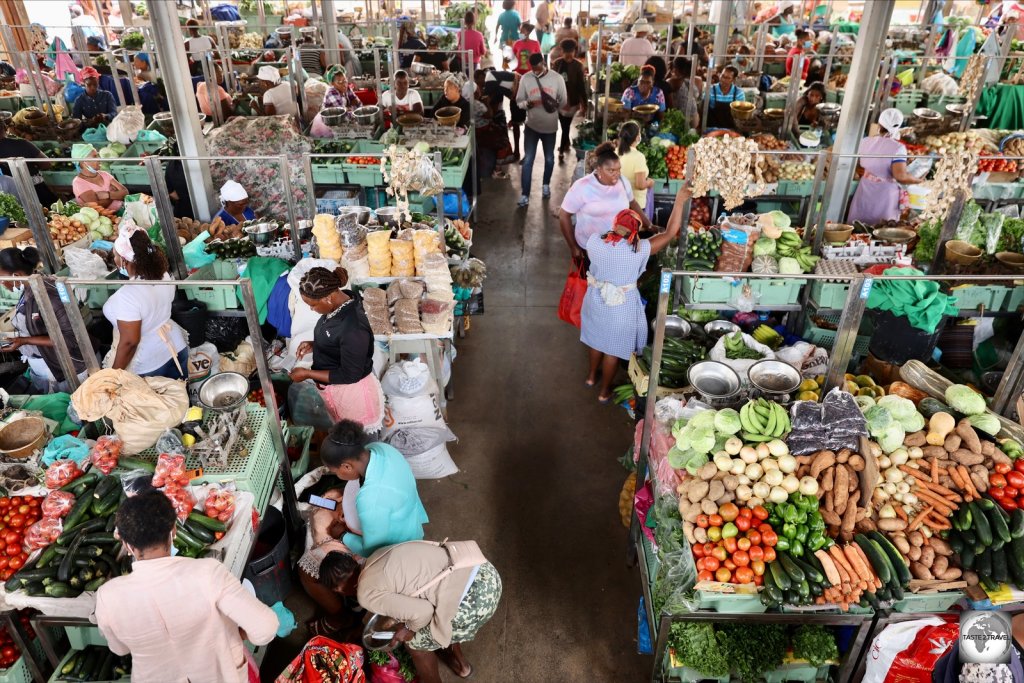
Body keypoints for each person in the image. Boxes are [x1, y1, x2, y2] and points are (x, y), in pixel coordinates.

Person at [95, 491, 278, 683]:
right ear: (173, 530)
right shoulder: (207, 573)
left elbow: (119, 648)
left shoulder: (107, 596)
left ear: (126, 543)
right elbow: (266, 628)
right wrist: (236, 635)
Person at [319, 542, 500, 683]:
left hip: (476, 601)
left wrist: (407, 629)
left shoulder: (364, 593)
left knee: (415, 643)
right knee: (438, 607)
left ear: (340, 589)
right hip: (482, 570)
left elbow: (424, 612)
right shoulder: (374, 556)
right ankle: (462, 666)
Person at [582, 187, 688, 402]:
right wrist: (679, 201)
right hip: (621, 305)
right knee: (612, 348)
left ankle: (591, 378)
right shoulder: (639, 249)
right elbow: (669, 233)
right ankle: (604, 393)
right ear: (636, 231)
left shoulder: (594, 241)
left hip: (595, 298)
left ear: (615, 224)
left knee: (595, 340)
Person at [288, 267, 385, 431]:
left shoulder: (354, 329)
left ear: (327, 298)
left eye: (312, 305)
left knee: (357, 443)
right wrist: (316, 344)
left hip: (354, 395)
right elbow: (337, 337)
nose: (312, 309)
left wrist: (307, 374)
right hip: (337, 390)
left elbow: (349, 374)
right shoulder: (339, 304)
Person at [0, 248, 93, 392]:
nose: (1, 283)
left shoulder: (49, 296)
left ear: (16, 275)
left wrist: (25, 341)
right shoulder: (30, 288)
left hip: (67, 371)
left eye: (2, 279)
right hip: (47, 369)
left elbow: (71, 339)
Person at [103, 225, 188, 380]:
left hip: (150, 363)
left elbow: (130, 342)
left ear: (123, 260)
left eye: (115, 255)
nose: (114, 259)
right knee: (181, 397)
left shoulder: (127, 296)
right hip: (176, 346)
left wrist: (113, 376)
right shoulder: (163, 275)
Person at [559, 142, 651, 263]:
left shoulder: (623, 182)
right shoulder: (583, 186)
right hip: (589, 248)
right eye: (611, 170)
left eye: (618, 170)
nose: (616, 174)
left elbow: (633, 203)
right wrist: (573, 247)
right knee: (591, 280)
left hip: (618, 246)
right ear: (599, 169)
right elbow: (564, 215)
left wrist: (648, 224)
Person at [847, 108, 923, 226]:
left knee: (858, 227)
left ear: (880, 124)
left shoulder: (865, 141)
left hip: (865, 189)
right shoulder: (898, 148)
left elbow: (857, 164)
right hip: (885, 195)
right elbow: (901, 177)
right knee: (881, 231)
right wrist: (919, 180)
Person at [516, 53, 566, 207]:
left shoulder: (557, 78)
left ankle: (545, 185)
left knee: (550, 158)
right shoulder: (526, 78)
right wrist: (527, 104)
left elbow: (563, 101)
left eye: (538, 69)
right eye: (533, 70)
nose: (535, 72)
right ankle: (525, 195)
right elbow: (519, 101)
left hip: (550, 128)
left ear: (544, 63)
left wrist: (552, 105)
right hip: (531, 126)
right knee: (528, 161)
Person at [0, 118, 55, 206]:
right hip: (37, 189)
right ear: (6, 128)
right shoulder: (23, 144)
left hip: (13, 196)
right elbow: (47, 164)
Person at [551, 40, 588, 161]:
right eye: (566, 52)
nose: (568, 54)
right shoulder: (556, 64)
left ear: (574, 51)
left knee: (565, 126)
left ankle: (561, 149)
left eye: (571, 52)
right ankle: (565, 144)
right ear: (562, 51)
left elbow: (581, 86)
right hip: (559, 101)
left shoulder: (578, 66)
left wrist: (584, 105)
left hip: (573, 101)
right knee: (563, 125)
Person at [71, 144, 127, 211]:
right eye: (94, 156)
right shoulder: (79, 182)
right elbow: (97, 206)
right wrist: (115, 194)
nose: (99, 158)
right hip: (108, 218)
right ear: (83, 162)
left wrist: (107, 194)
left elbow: (125, 192)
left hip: (123, 208)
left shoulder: (104, 174)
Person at [617, 122, 654, 219]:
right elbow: (640, 185)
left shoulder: (615, 152)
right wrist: (650, 182)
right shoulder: (638, 156)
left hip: (616, 202)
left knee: (618, 231)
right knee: (631, 232)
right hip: (634, 206)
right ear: (637, 137)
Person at [705, 65, 744, 130]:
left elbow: (740, 114)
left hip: (731, 129)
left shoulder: (738, 93)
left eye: (727, 78)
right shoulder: (710, 90)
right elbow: (703, 110)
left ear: (733, 80)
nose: (723, 79)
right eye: (722, 76)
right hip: (712, 128)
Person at [668, 56, 699, 128]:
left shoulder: (673, 82)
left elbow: (663, 85)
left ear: (675, 69)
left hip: (682, 118)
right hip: (695, 116)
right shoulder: (695, 80)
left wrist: (669, 71)